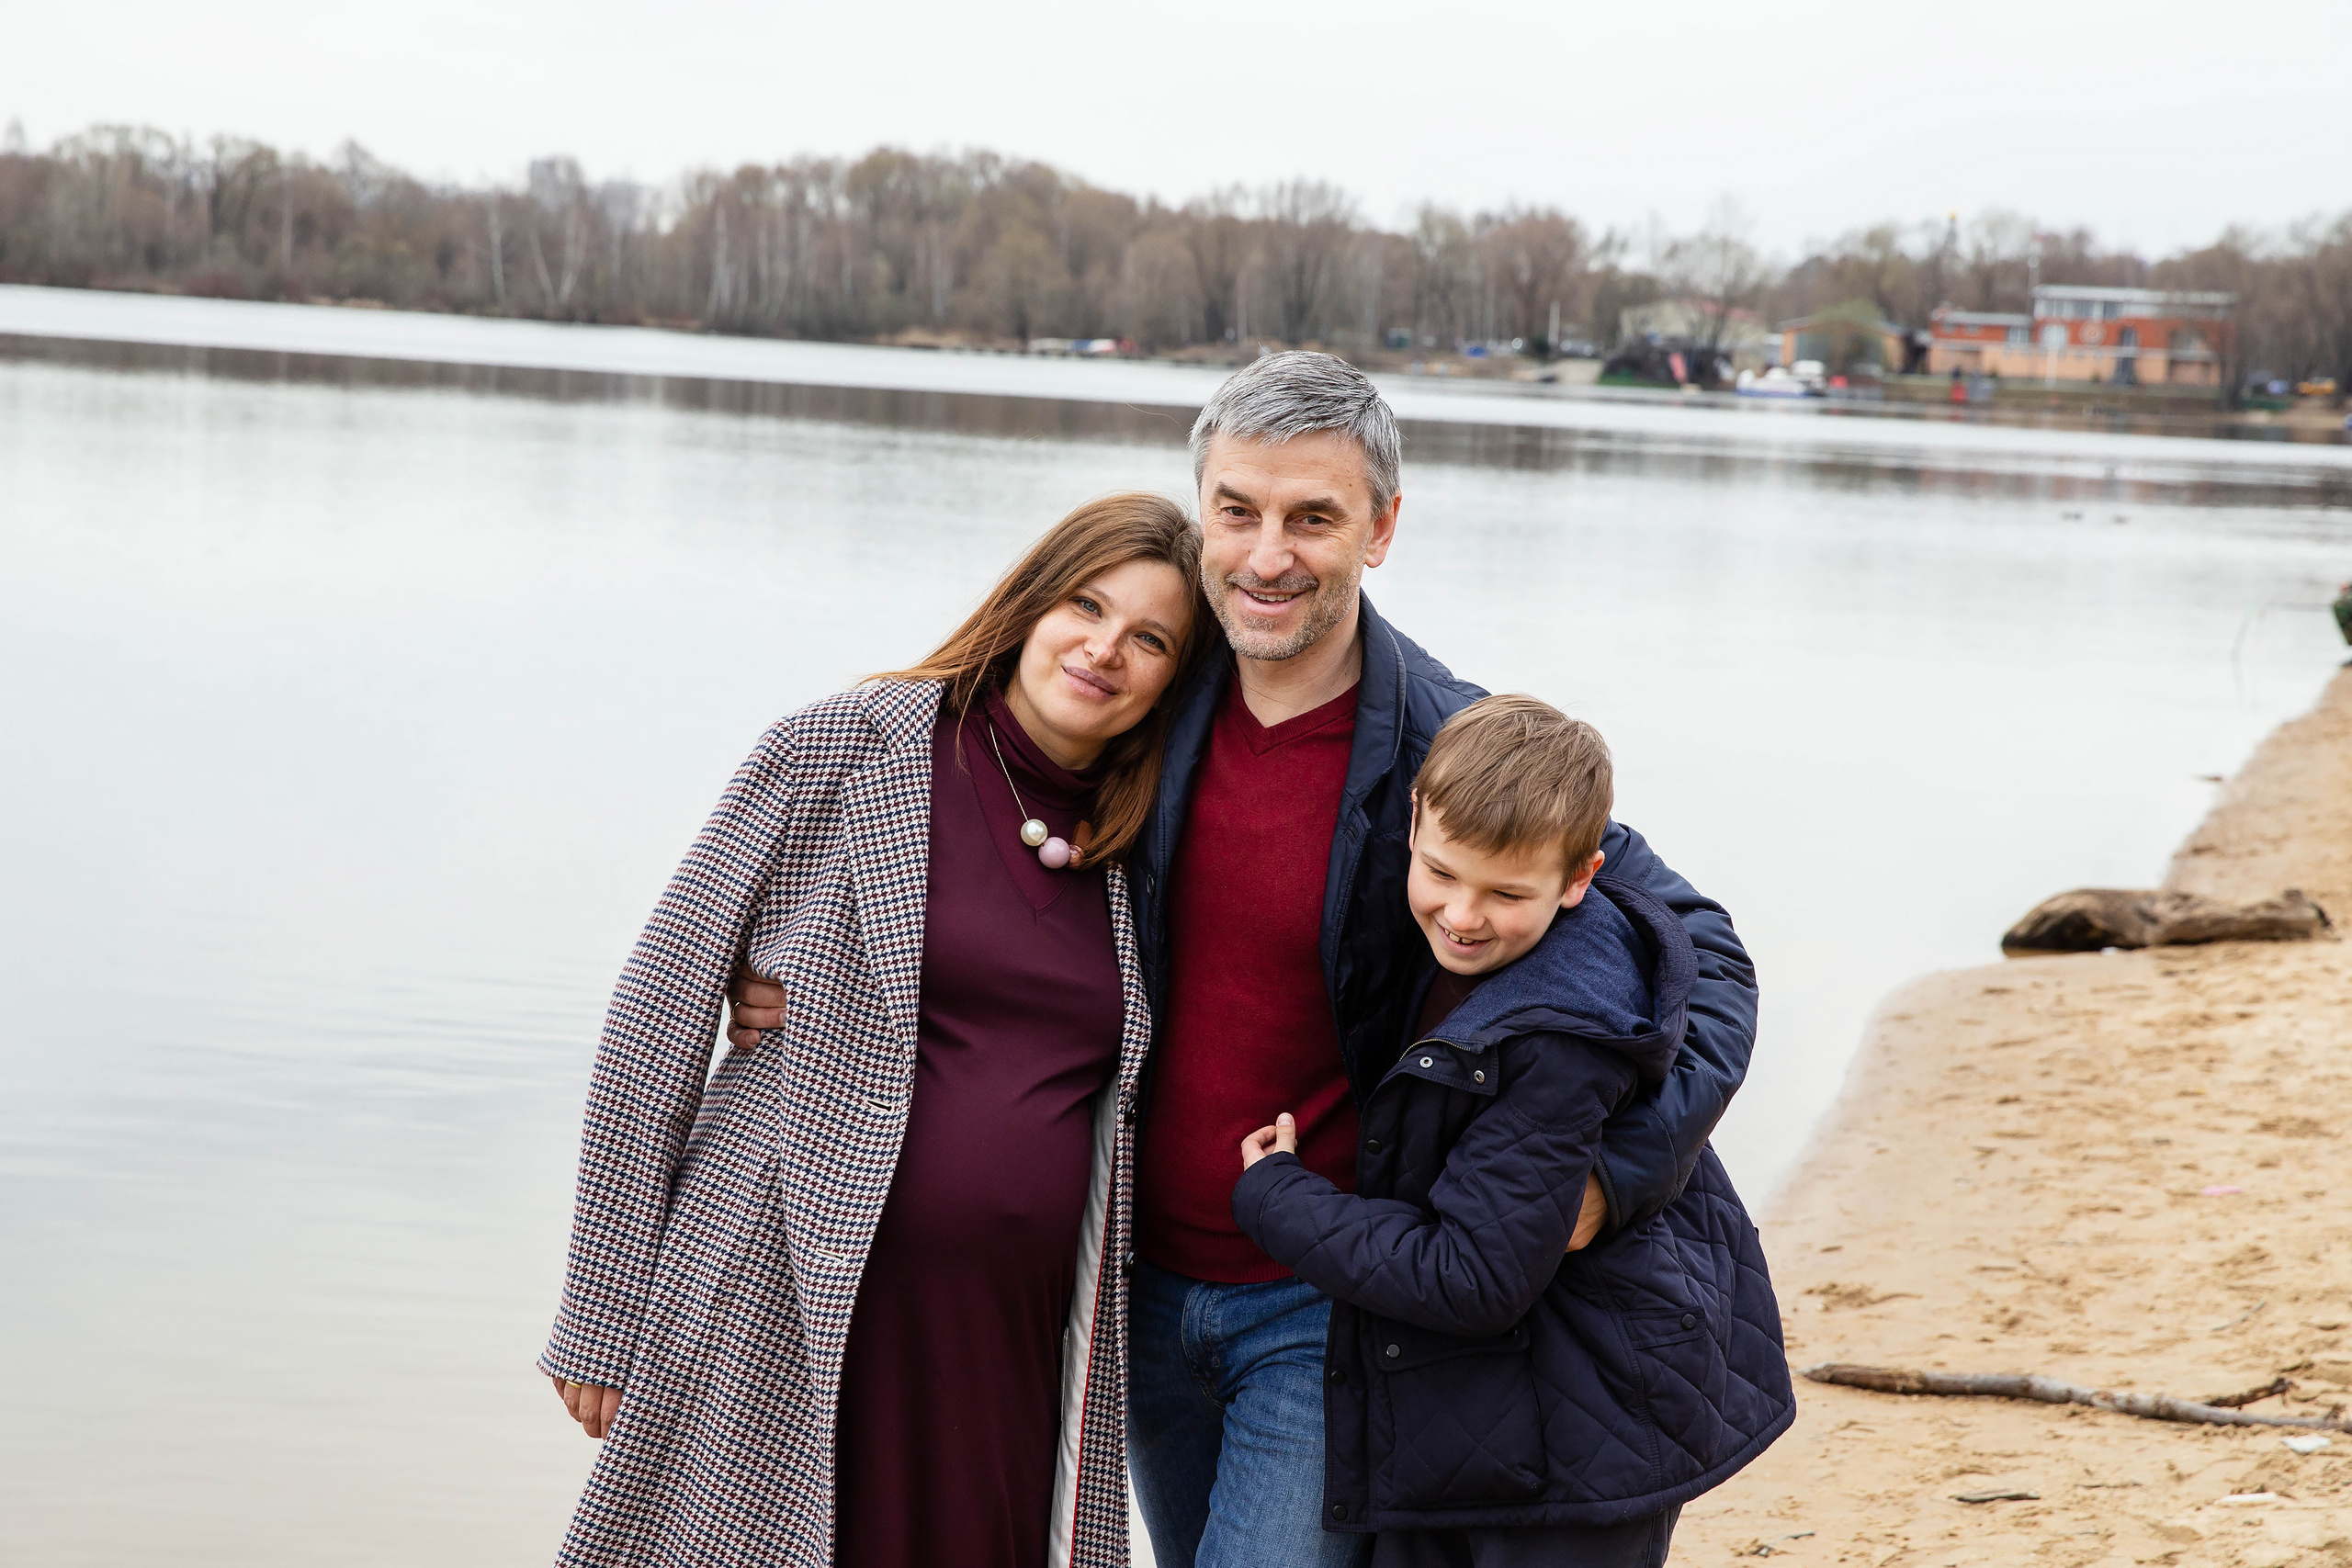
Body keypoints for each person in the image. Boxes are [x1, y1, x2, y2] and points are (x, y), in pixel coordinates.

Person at [729, 352, 1758, 1568]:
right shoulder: (1140, 701)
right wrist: (828, 974)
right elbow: (976, 842)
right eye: (1238, 510)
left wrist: (1616, 1175)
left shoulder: (1446, 744)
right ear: (1203, 511)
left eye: (1312, 517)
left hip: (1321, 1306)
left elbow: (1705, 956)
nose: (1268, 555)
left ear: (1381, 528)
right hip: (1129, 1288)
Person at [539, 494, 1212, 1568]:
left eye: (1151, 639)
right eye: (1086, 606)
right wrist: (602, 1307)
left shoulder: (1145, 838)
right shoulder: (847, 749)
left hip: (1010, 1348)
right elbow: (657, 1012)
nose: (1104, 649)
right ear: (1030, 604)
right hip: (789, 1294)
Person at [1232, 695, 1793, 1568]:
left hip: (1582, 1442)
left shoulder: (1559, 1035)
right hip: (1491, 1411)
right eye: (1442, 873)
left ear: (1581, 878)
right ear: (1412, 821)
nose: (1462, 915)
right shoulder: (1467, 948)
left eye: (1506, 894)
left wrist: (1280, 1199)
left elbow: (1473, 1277)